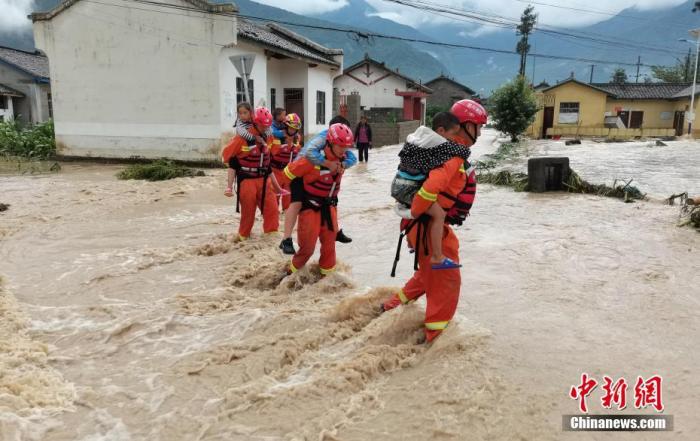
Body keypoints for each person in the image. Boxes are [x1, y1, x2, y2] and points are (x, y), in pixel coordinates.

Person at [382, 99, 487, 343]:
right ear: (464, 125)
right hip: (427, 227)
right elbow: (432, 187)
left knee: (428, 272)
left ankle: (391, 306)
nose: (481, 133)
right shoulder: (452, 156)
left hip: (420, 228)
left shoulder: (444, 150)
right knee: (446, 280)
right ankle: (435, 337)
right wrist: (420, 211)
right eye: (478, 127)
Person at [392, 112, 472, 269]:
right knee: (439, 215)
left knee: (416, 213)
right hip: (410, 190)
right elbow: (459, 150)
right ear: (441, 131)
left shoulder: (420, 138)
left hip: (399, 185)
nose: (454, 138)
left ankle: (412, 242)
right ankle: (437, 257)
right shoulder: (437, 144)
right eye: (454, 134)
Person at [279, 123, 355, 275]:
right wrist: (294, 193)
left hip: (329, 207)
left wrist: (343, 164)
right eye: (341, 146)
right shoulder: (311, 159)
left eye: (346, 146)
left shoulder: (344, 159)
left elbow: (353, 159)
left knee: (329, 247)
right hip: (310, 207)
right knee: (307, 248)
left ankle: (327, 281)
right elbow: (286, 175)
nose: (344, 150)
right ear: (330, 142)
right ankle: (288, 274)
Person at [221, 106, 281, 240]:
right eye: (262, 125)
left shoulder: (268, 137)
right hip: (247, 179)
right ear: (255, 122)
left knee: (272, 210)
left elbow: (271, 156)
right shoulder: (241, 138)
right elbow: (225, 156)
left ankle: (271, 239)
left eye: (267, 126)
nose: (265, 128)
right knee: (248, 213)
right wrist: (236, 161)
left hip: (265, 179)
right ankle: (243, 238)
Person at [225, 102, 270, 197]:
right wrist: (255, 138)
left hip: (258, 157)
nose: (242, 115)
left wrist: (266, 134)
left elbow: (267, 127)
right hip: (242, 142)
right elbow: (243, 134)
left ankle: (277, 188)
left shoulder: (255, 120)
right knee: (232, 162)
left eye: (245, 113)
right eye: (240, 113)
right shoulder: (239, 123)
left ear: (251, 112)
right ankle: (229, 187)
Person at [270, 113, 303, 211]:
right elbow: (270, 152)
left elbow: (299, 155)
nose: (293, 131)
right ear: (286, 126)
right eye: (291, 128)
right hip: (275, 171)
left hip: (289, 173)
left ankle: (285, 220)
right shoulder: (276, 137)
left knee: (288, 202)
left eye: (295, 129)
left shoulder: (297, 138)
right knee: (273, 201)